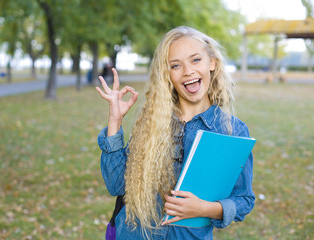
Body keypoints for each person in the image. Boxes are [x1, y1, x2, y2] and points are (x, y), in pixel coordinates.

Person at [96, 26, 255, 240]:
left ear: (212, 62)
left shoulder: (232, 131)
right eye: (175, 65)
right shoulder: (152, 123)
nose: (188, 71)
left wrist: (204, 209)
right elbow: (116, 184)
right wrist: (115, 121)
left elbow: (244, 199)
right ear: (167, 74)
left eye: (195, 60)